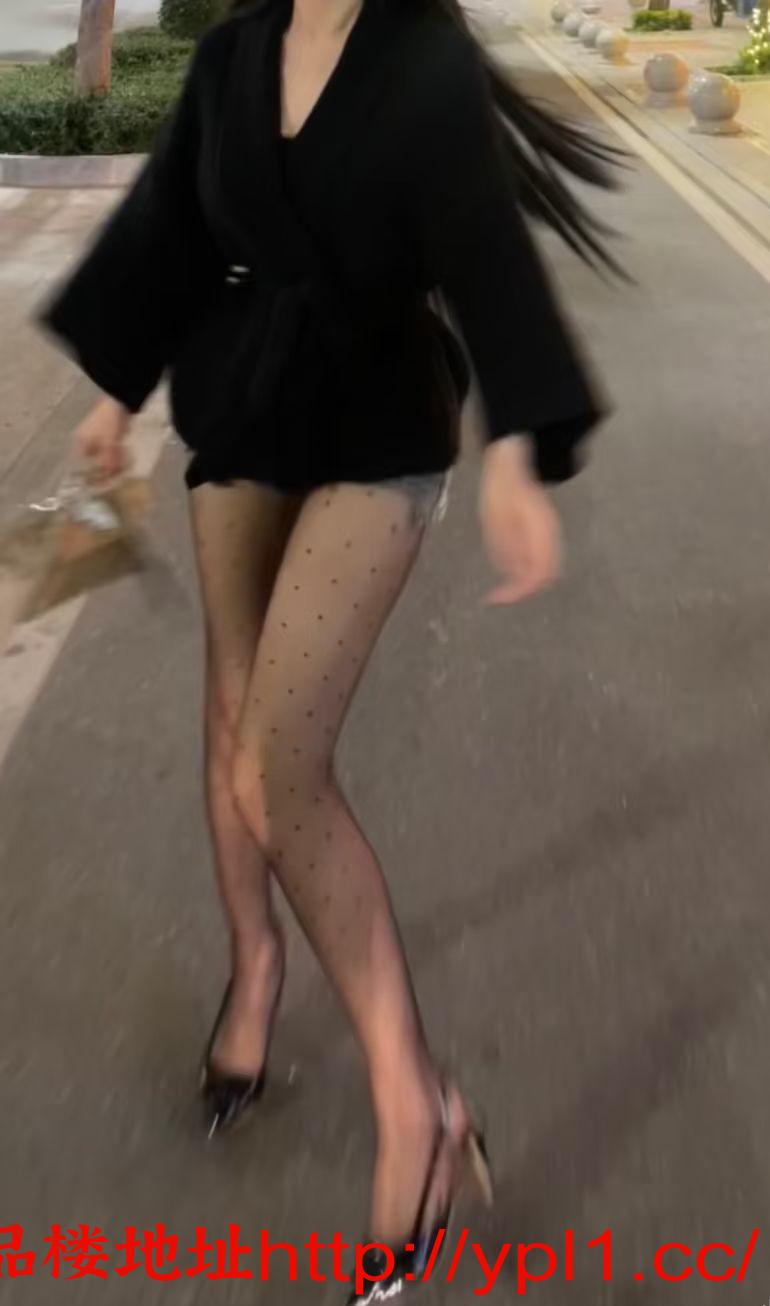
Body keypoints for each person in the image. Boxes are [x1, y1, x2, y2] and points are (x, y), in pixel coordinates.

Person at [39, 0, 616, 1297]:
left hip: (377, 419)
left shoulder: (421, 58)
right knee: (229, 719)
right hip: (245, 398)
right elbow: (169, 232)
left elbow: (485, 248)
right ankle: (254, 973)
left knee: (276, 765)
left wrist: (519, 449)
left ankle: (416, 1102)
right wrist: (111, 397)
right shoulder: (230, 56)